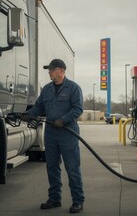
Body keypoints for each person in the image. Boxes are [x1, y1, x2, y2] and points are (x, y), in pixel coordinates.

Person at [24, 58, 85, 213]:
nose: (49, 72)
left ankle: (78, 200)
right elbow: (38, 107)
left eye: (51, 69)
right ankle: (54, 199)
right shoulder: (47, 89)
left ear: (61, 70)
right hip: (50, 133)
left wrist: (63, 120)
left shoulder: (73, 88)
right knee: (52, 167)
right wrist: (26, 115)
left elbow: (78, 109)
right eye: (49, 70)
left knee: (72, 168)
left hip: (68, 133)